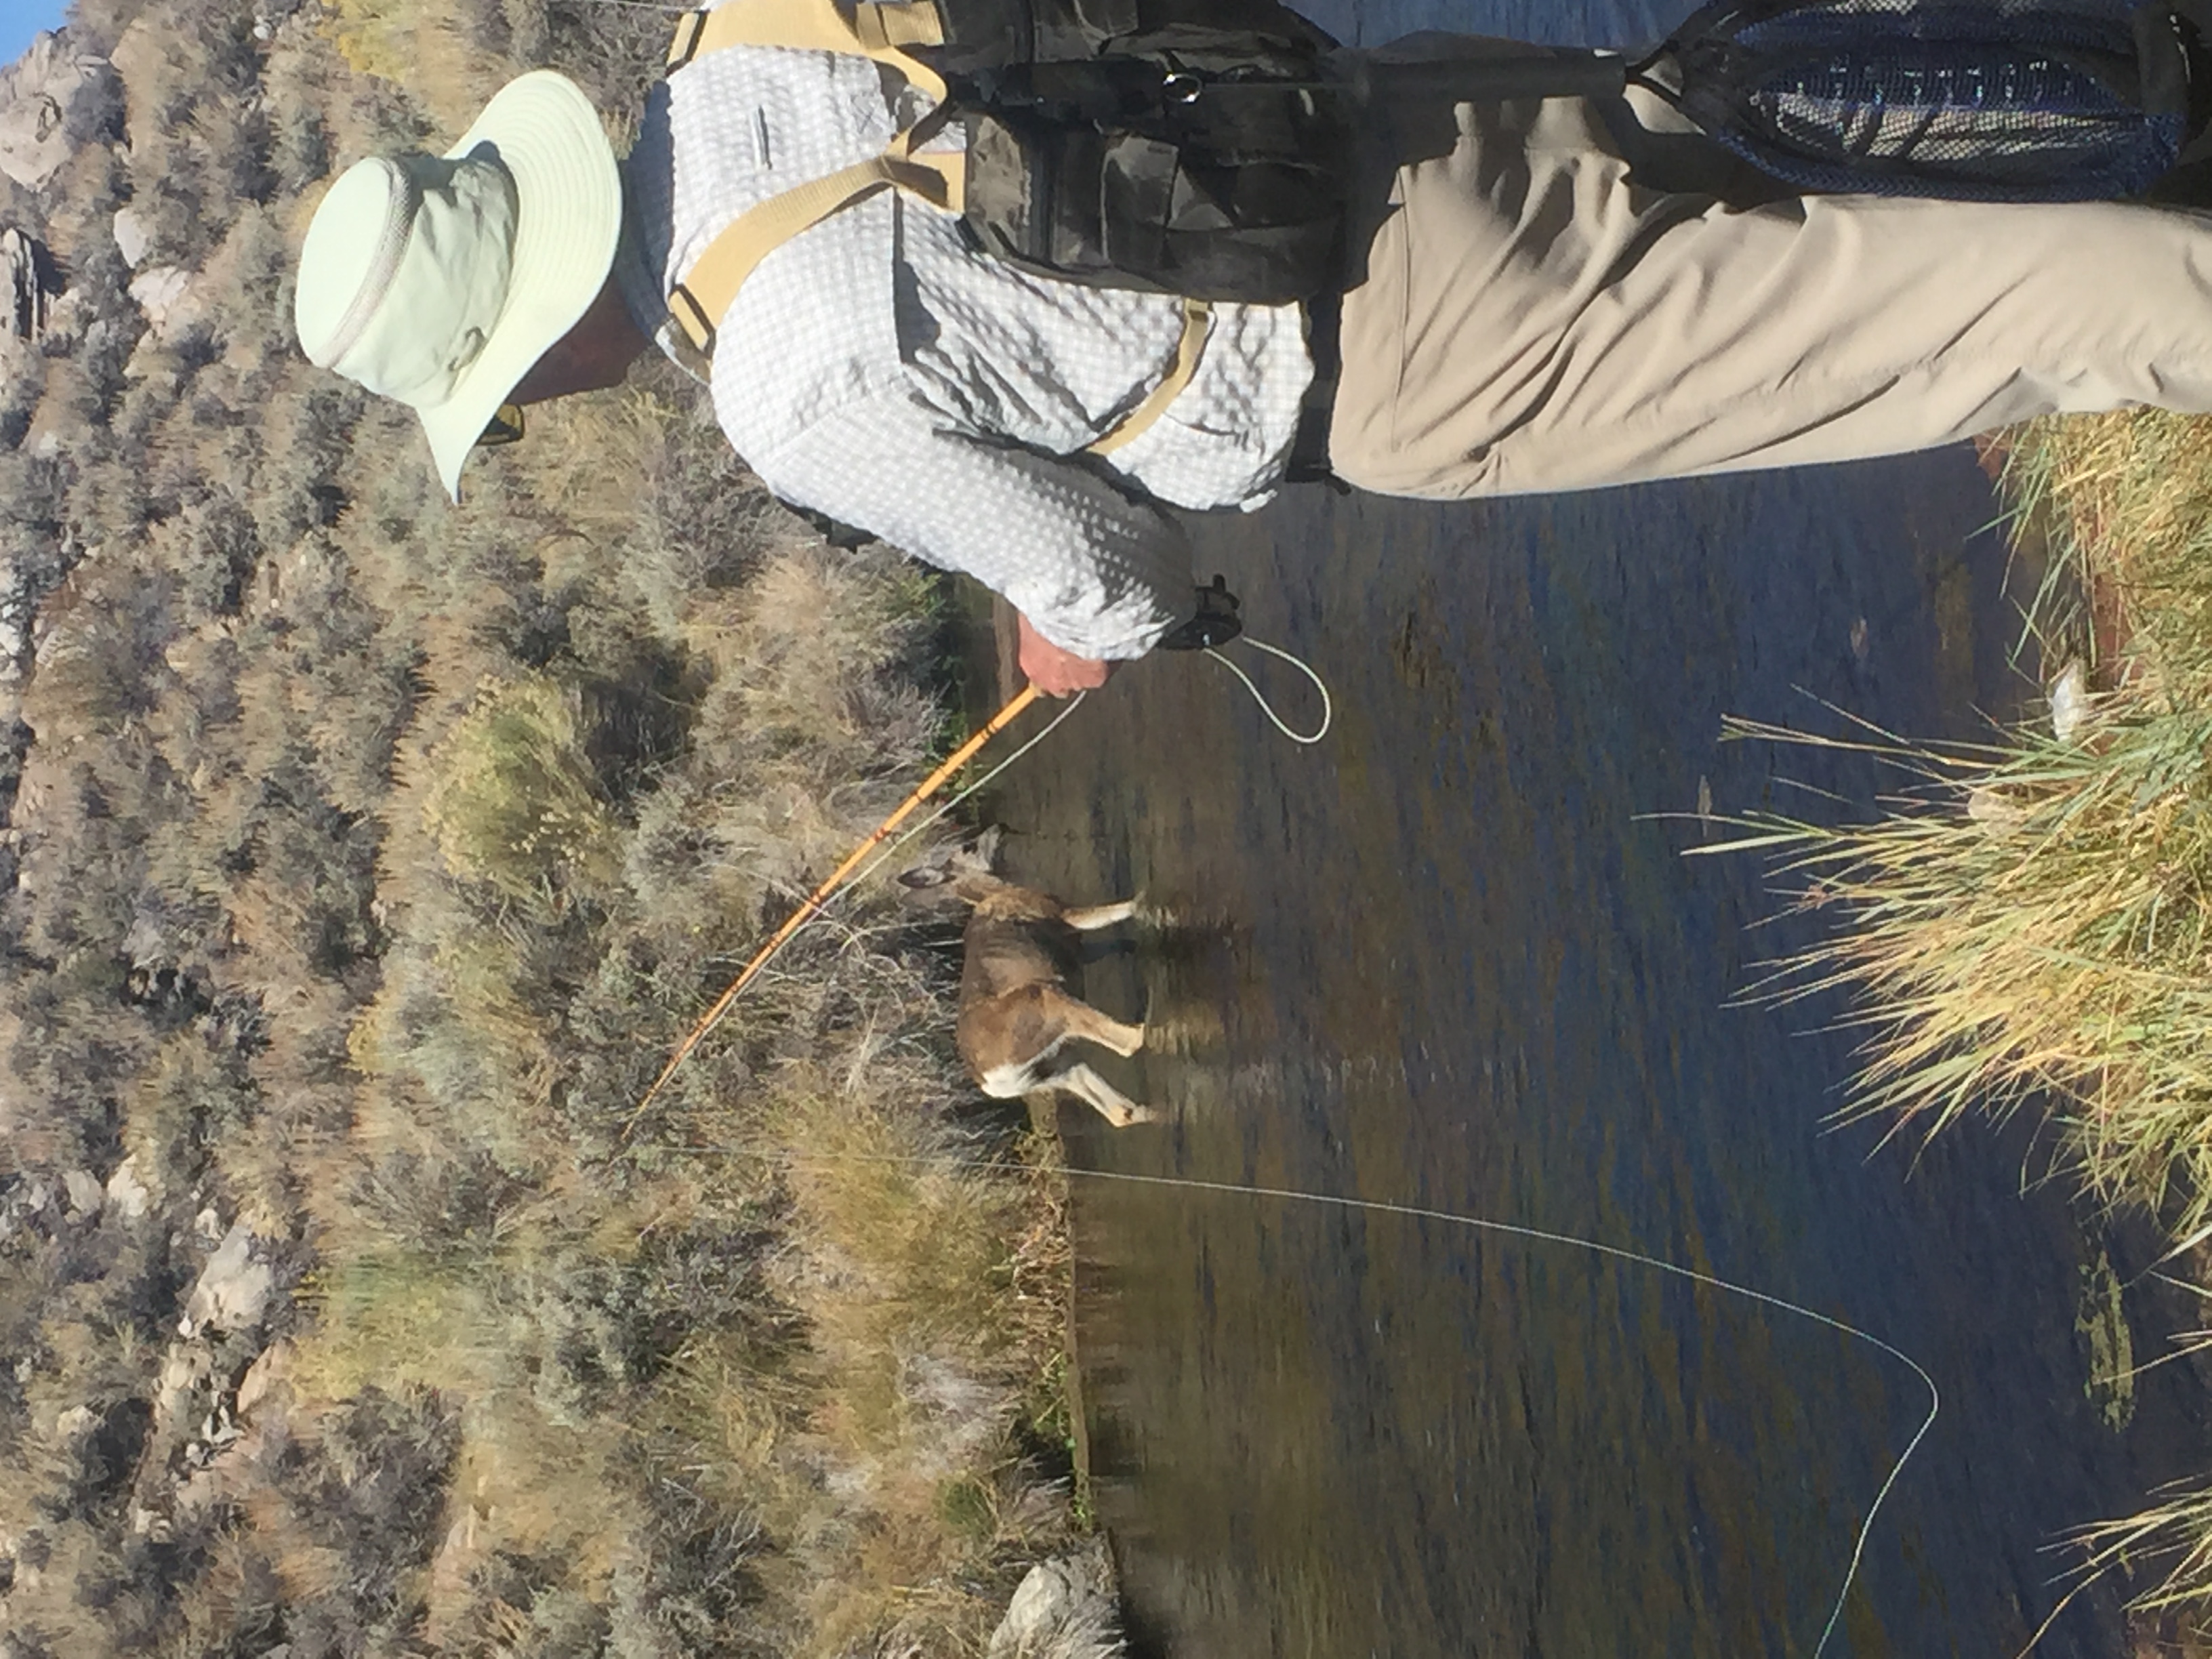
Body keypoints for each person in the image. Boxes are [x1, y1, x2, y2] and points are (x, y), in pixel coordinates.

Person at [291, 25, 2212, 695]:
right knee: (1805, 148)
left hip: (1406, 359)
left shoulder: (781, 387)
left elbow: (1104, 577)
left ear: (526, 356)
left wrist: (1081, 639)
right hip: (1380, 108)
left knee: (1955, 320)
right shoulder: (737, 38)